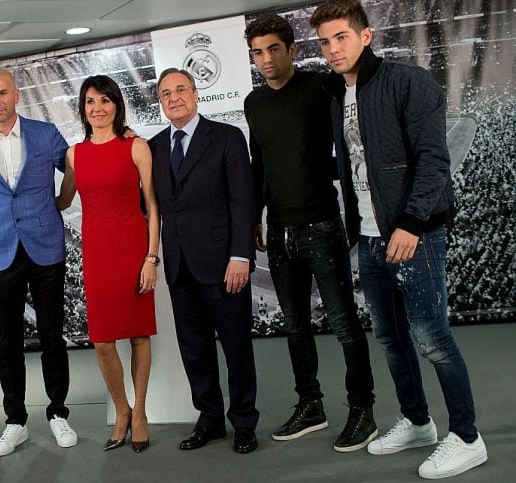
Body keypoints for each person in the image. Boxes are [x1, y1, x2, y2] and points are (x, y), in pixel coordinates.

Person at [310, 0, 487, 478]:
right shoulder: (334, 94)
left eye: (341, 37)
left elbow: (433, 159)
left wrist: (410, 222)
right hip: (368, 236)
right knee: (390, 338)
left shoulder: (407, 82)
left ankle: (468, 437)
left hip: (415, 233)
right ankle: (417, 420)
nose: (332, 49)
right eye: (325, 41)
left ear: (365, 36)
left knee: (432, 337)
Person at [243, 14, 376, 452]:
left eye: (273, 49)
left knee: (344, 324)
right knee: (295, 327)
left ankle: (363, 411)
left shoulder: (323, 87)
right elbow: (258, 162)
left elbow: (361, 101)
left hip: (321, 225)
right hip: (278, 231)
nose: (265, 59)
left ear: (292, 49)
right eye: (257, 53)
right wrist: (257, 216)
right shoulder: (253, 103)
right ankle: (311, 405)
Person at [0, 68, 77, 457]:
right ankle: (15, 421)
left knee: (52, 336)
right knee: (7, 342)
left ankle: (58, 413)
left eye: (3, 93)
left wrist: (64, 199)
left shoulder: (45, 134)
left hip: (44, 246)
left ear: (17, 95)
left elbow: (75, 165)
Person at [148, 68, 258, 454]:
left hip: (224, 265)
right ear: (160, 103)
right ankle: (209, 419)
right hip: (179, 267)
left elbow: (242, 201)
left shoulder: (227, 138)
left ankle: (244, 421)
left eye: (181, 90)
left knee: (236, 348)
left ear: (196, 95)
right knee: (194, 350)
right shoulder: (155, 146)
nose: (174, 97)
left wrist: (240, 256)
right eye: (166, 93)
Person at [56, 75, 160, 453]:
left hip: (133, 249)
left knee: (137, 335)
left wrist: (151, 258)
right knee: (102, 342)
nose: (97, 108)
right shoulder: (74, 154)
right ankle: (122, 411)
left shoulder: (136, 147)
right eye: (89, 102)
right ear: (82, 109)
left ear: (116, 104)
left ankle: (142, 412)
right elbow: (63, 201)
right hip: (97, 254)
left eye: (104, 100)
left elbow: (152, 206)